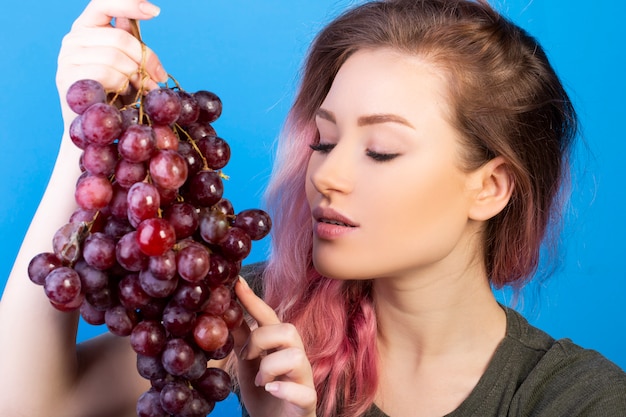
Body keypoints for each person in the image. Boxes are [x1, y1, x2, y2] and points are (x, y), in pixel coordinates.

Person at [0, 0, 624, 416]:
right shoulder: (259, 313)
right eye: (323, 140)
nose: (328, 173)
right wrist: (87, 137)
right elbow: (32, 405)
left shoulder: (573, 397)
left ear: (489, 187)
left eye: (380, 150)